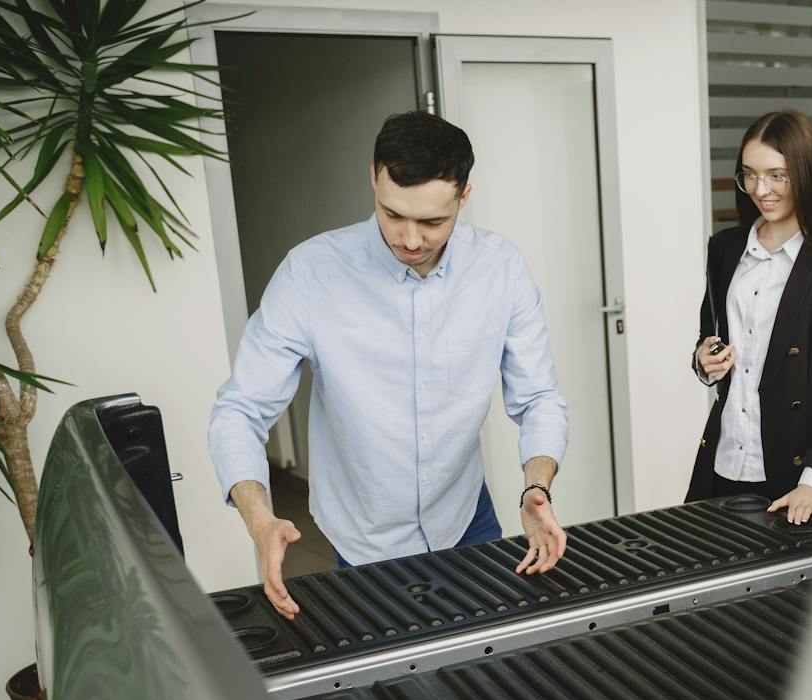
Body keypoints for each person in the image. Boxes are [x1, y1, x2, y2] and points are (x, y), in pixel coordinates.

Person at [209, 111, 569, 621]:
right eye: (392, 213)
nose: (411, 239)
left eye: (433, 222)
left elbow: (539, 400)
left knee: (487, 668)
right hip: (364, 538)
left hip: (466, 515)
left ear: (464, 197)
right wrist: (258, 518)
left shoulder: (500, 267)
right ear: (372, 177)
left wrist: (537, 487)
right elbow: (240, 410)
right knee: (399, 684)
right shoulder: (311, 273)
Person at [687, 110, 812, 524]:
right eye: (750, 175)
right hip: (724, 463)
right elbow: (709, 336)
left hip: (800, 478)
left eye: (777, 175)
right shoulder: (725, 248)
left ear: (805, 175)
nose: (761, 190)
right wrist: (704, 361)